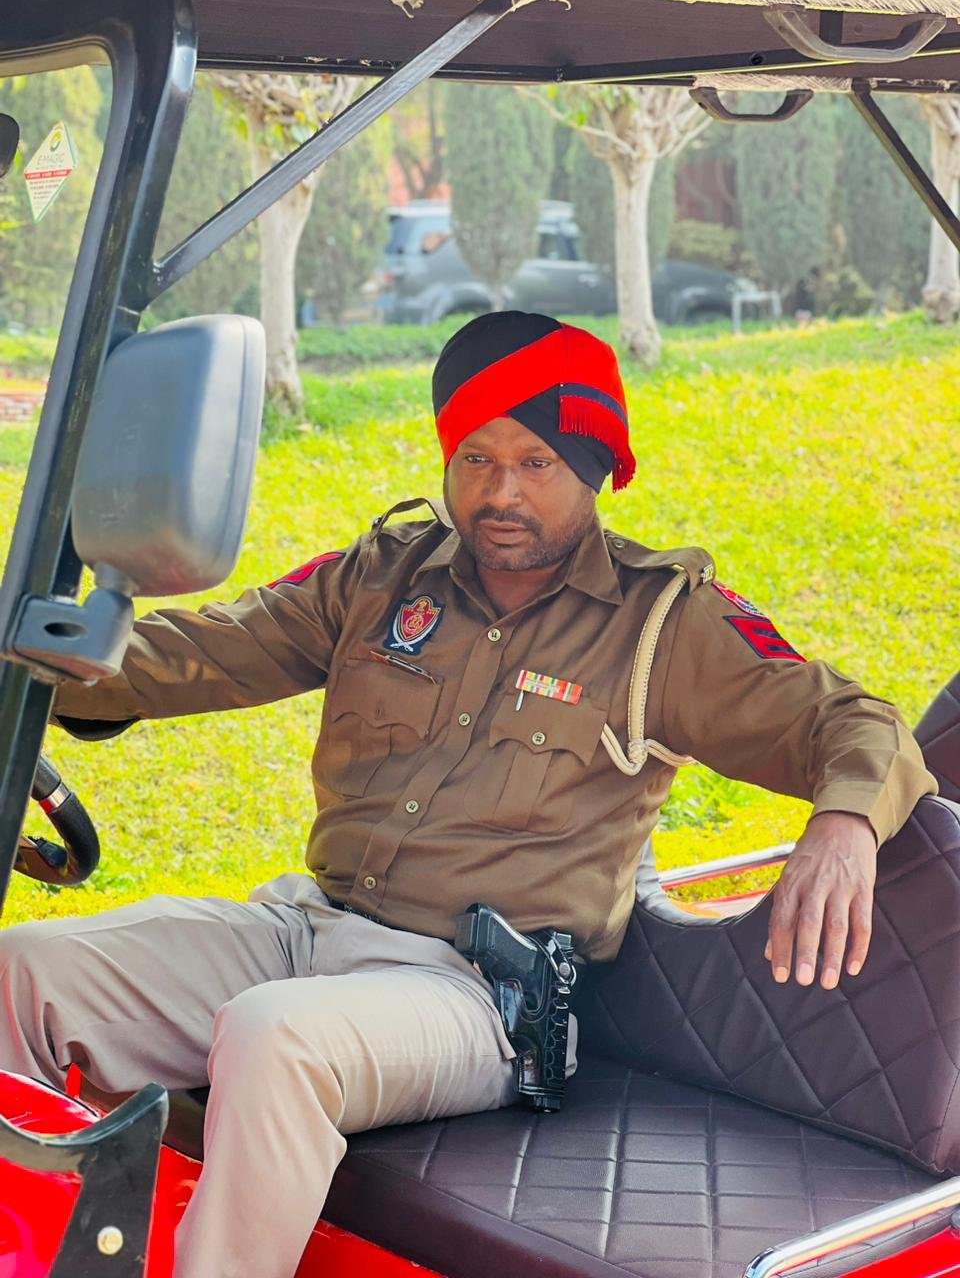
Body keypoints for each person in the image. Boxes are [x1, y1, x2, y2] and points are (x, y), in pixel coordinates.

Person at [0, 312, 935, 1278]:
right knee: (23, 971)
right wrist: (39, 656)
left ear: (598, 468)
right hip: (306, 930)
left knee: (275, 1038)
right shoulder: (385, 575)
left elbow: (856, 722)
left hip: (478, 995)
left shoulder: (661, 624)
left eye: (537, 463)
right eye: (476, 459)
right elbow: (203, 650)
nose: (501, 492)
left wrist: (843, 824)